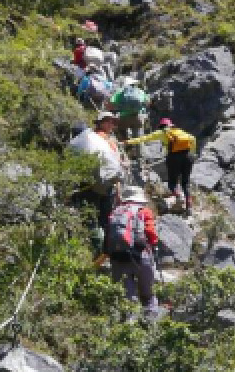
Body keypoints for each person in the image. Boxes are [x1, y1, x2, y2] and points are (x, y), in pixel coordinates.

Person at [69, 111, 123, 252]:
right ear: (100, 122)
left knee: (91, 219)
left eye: (113, 122)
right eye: (109, 121)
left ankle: (97, 251)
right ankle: (107, 250)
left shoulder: (83, 141)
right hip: (107, 185)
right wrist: (118, 189)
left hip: (88, 186)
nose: (111, 124)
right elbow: (115, 165)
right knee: (105, 220)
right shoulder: (104, 140)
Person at [123, 118, 197, 212]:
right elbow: (193, 138)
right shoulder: (179, 131)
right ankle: (188, 204)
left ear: (161, 126)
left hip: (173, 157)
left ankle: (178, 196)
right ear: (170, 124)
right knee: (185, 182)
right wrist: (192, 153)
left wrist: (128, 141)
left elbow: (144, 138)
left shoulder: (162, 132)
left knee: (172, 182)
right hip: (188, 156)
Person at [107, 186, 159, 316]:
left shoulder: (116, 211)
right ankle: (150, 321)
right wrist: (153, 245)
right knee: (148, 294)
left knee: (127, 297)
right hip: (142, 256)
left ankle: (129, 323)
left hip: (119, 257)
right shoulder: (144, 211)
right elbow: (151, 232)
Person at [107, 77, 149, 143]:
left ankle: (126, 144)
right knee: (137, 133)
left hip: (124, 117)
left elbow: (111, 104)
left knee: (120, 129)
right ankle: (137, 145)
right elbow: (148, 102)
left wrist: (116, 110)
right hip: (138, 116)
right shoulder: (140, 91)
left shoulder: (120, 92)